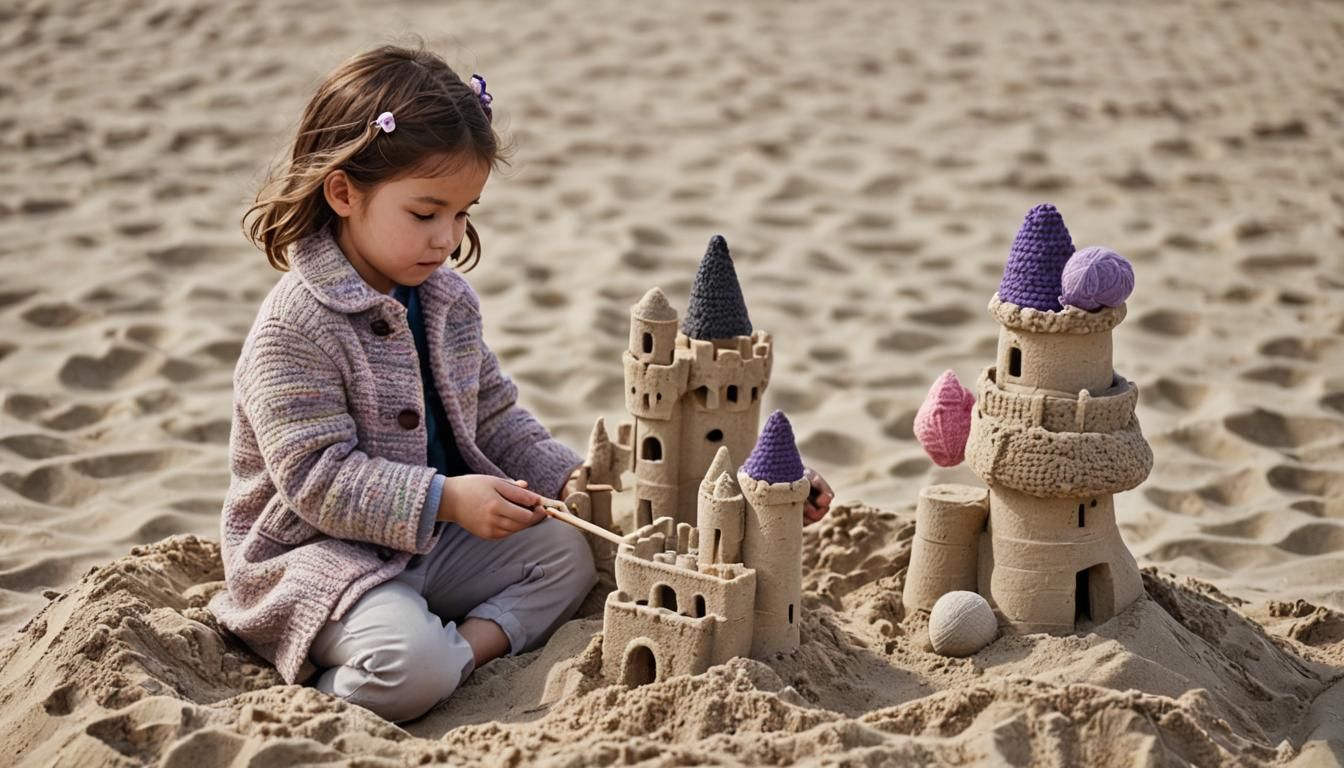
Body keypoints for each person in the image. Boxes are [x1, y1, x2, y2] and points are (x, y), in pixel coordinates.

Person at [209, 43, 833, 725]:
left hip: (432, 546)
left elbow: (497, 416)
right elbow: (317, 480)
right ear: (343, 192)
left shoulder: (446, 301)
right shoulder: (295, 326)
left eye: (464, 213)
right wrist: (446, 499)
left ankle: (462, 653)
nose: (447, 237)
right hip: (318, 558)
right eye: (425, 213)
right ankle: (407, 662)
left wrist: (565, 479)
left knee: (567, 555)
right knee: (405, 668)